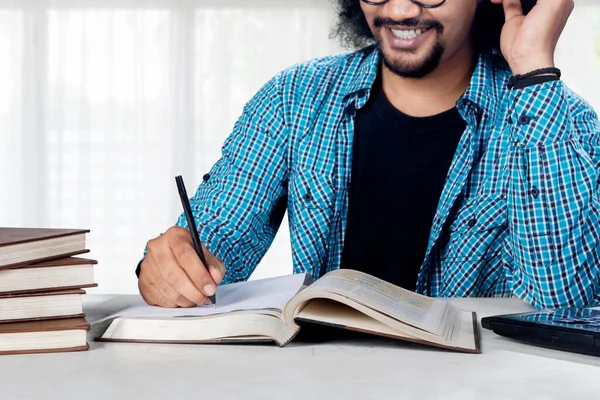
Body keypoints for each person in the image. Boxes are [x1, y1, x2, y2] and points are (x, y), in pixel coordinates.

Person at [136, 0, 600, 310]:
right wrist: (170, 266)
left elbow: (563, 307)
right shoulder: (293, 99)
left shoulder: (557, 120)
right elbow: (216, 241)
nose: (399, 9)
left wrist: (532, 70)